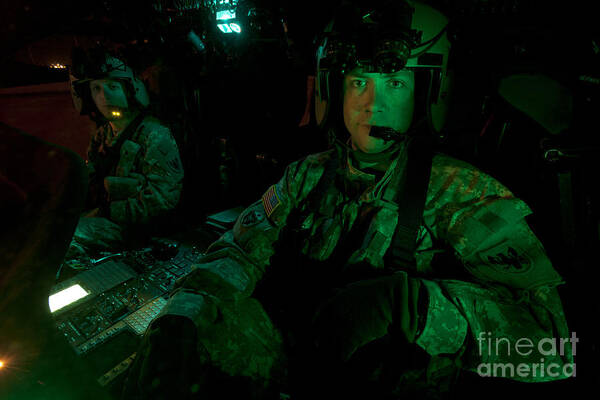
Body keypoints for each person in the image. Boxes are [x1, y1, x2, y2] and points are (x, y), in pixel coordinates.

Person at [122, 1, 573, 398]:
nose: (370, 105)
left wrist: (413, 307)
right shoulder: (307, 174)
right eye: (358, 82)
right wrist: (183, 314)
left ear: (427, 93)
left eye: (394, 83)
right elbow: (239, 252)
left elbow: (550, 349)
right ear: (334, 90)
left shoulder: (463, 193)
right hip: (296, 372)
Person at [66, 47, 184, 258]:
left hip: (137, 232)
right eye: (96, 89)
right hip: (106, 221)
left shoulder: (154, 134)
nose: (104, 96)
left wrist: (108, 211)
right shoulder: (103, 135)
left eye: (113, 86)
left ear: (131, 90)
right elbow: (90, 179)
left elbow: (163, 200)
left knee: (66, 239)